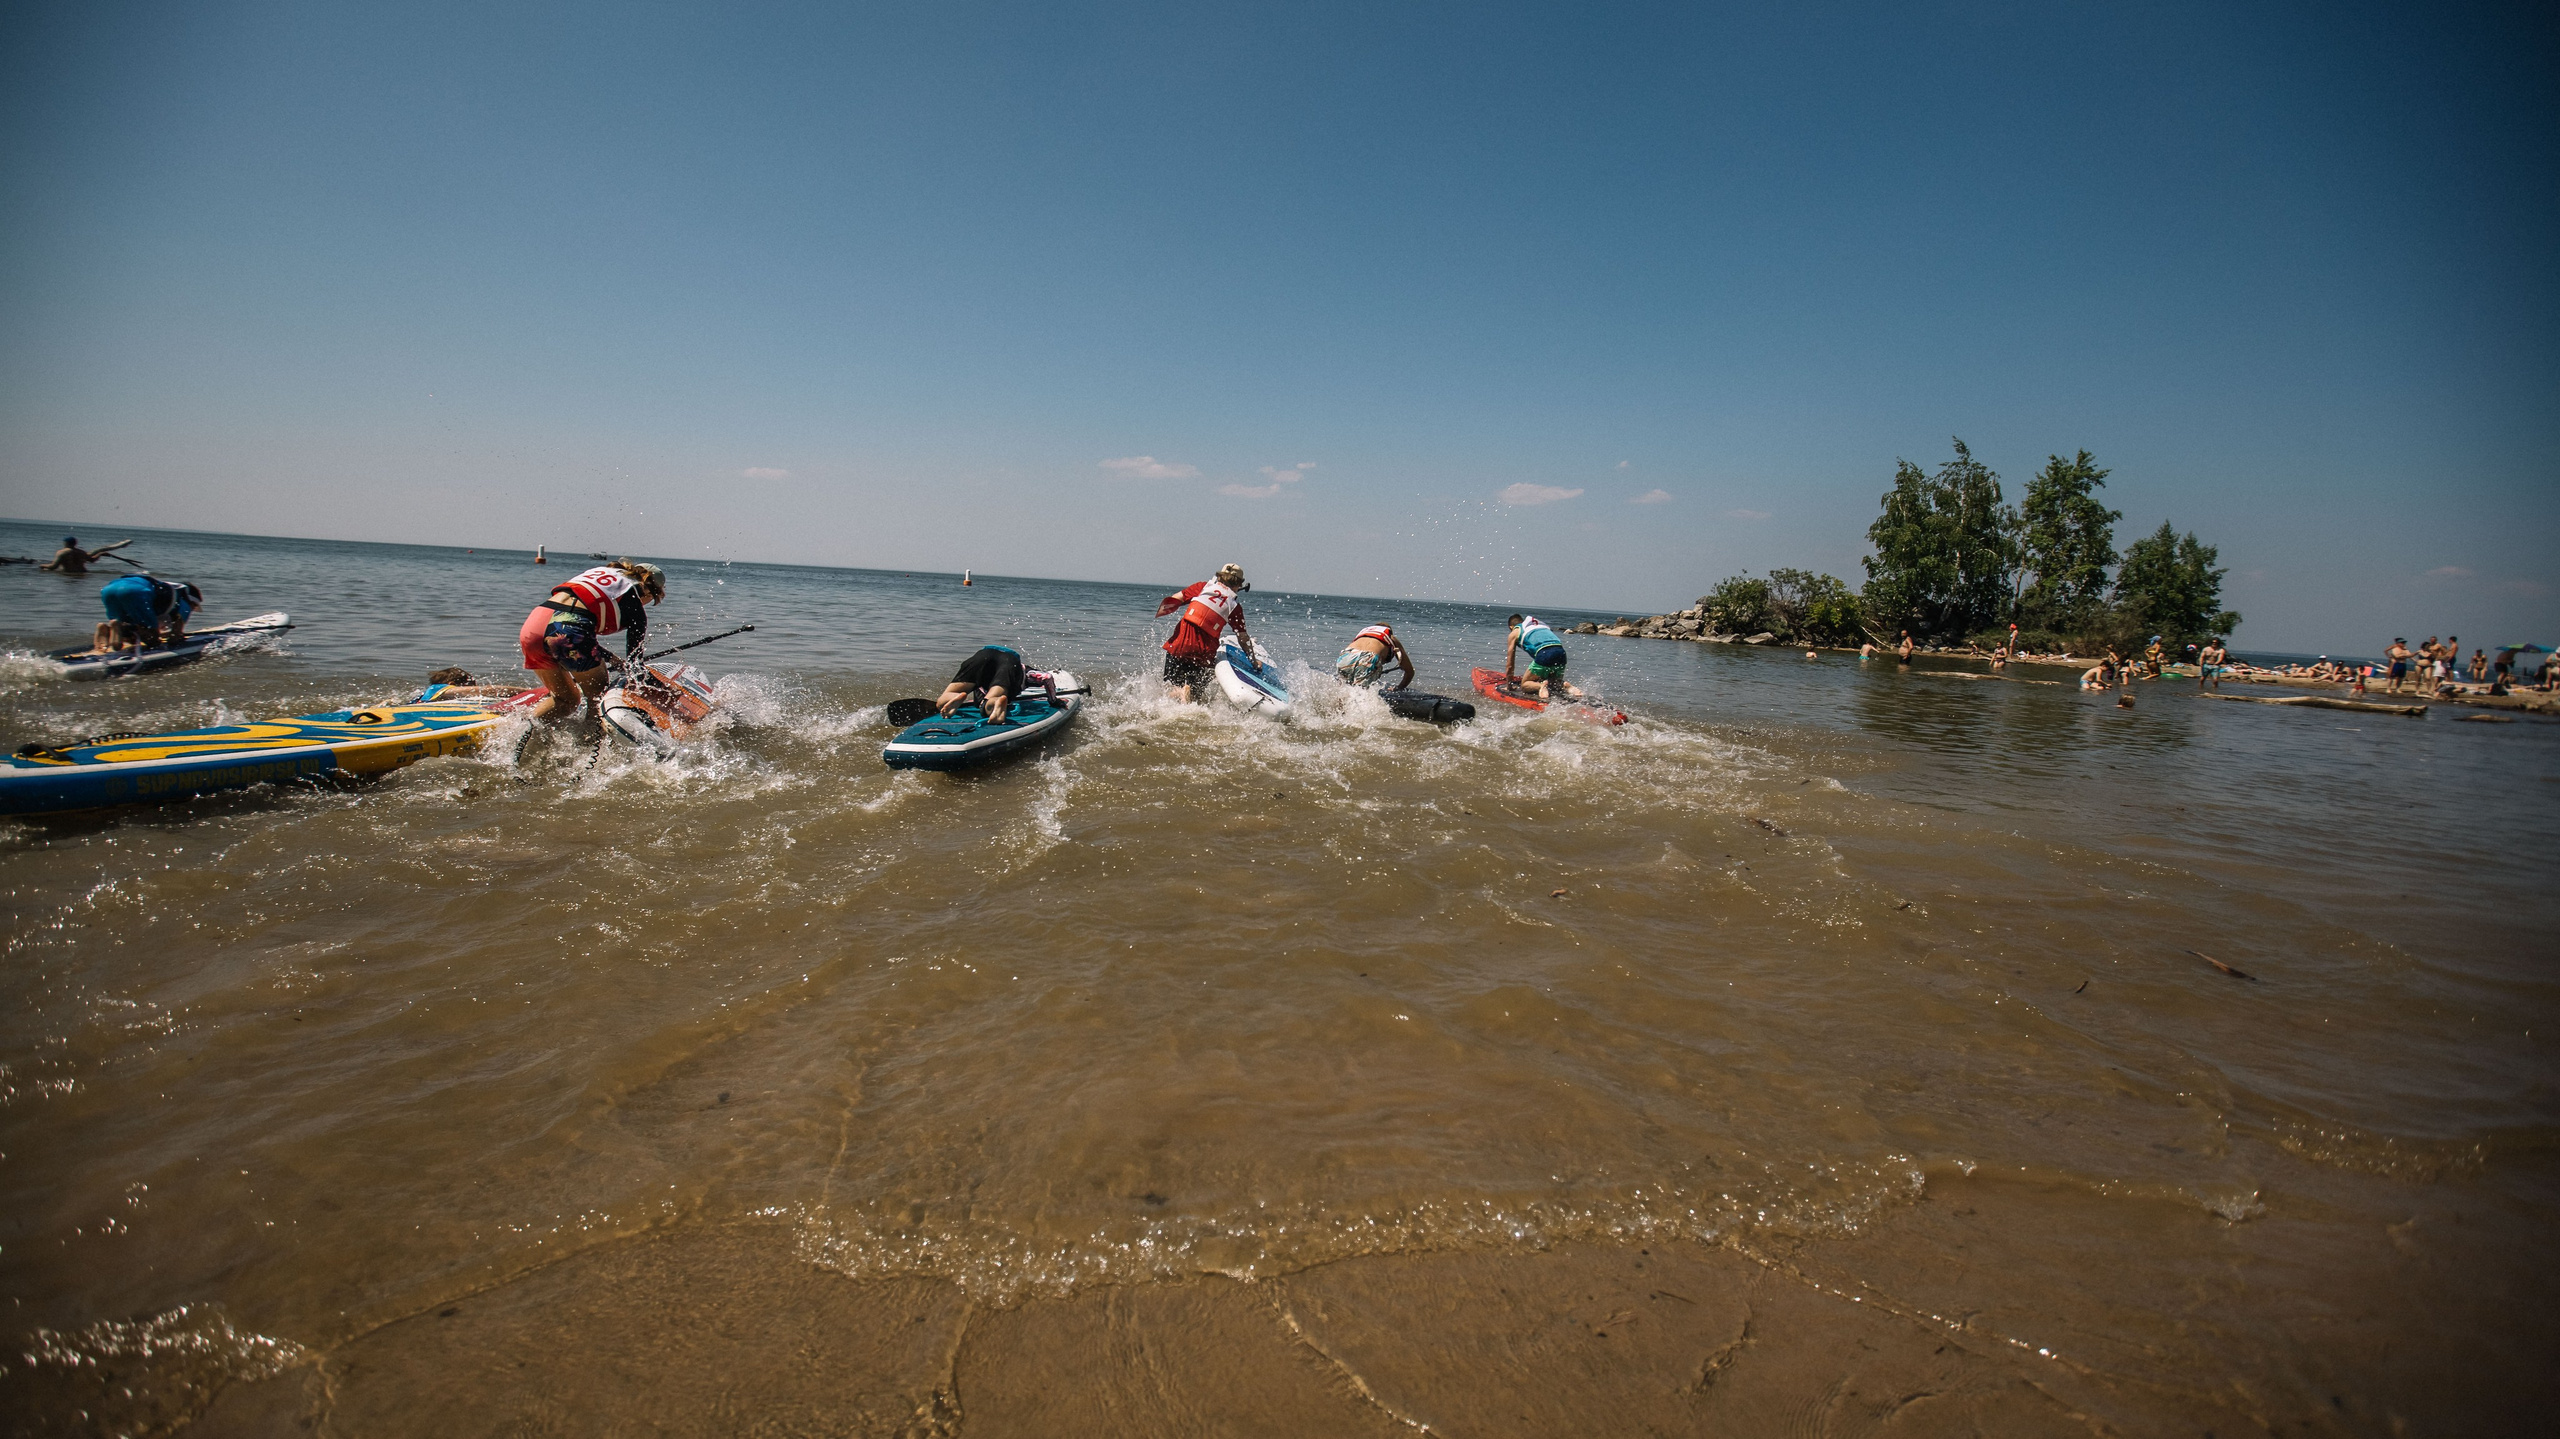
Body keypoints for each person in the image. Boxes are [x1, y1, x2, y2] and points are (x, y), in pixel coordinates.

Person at [518, 559, 666, 721]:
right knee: (599, 698)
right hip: (568, 632)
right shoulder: (633, 601)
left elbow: (563, 624)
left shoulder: (604, 574)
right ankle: (591, 737)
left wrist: (611, 658)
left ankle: (522, 728)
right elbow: (635, 667)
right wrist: (666, 691)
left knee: (565, 701)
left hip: (533, 627)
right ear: (650, 593)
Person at [1156, 564, 1253, 702]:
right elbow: (1243, 637)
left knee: (1168, 688)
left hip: (1180, 645)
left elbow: (1175, 599)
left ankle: (1178, 691)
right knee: (1196, 698)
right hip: (1203, 654)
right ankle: (1187, 691)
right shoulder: (1235, 607)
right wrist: (1253, 660)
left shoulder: (1202, 587)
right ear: (1238, 585)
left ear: (1220, 577)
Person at [935, 645, 1055, 725]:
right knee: (988, 703)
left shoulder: (980, 690)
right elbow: (1047, 677)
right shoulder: (1024, 670)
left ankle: (954, 697)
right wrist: (1053, 700)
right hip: (1009, 662)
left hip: (981, 656)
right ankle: (997, 701)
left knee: (949, 694)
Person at [89, 574, 200, 651]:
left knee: (129, 626)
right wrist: (177, 639)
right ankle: (118, 632)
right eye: (194, 607)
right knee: (153, 641)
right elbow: (174, 637)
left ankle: (108, 629)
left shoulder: (166, 588)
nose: (192, 609)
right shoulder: (184, 602)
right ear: (192, 601)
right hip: (136, 592)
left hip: (109, 589)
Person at [1504, 613, 1582, 700]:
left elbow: (1510, 664)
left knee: (1525, 685)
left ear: (1511, 627)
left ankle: (1541, 686)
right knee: (1554, 685)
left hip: (1544, 653)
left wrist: (1509, 686)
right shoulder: (1538, 625)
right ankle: (1565, 686)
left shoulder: (1514, 633)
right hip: (1561, 652)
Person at [1335, 623, 1416, 690]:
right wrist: (1399, 688)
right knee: (1362, 693)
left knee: (1342, 690)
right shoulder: (1391, 637)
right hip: (1368, 658)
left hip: (1346, 656)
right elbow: (1410, 671)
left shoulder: (1363, 635)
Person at [43, 536, 134, 575]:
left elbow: (53, 566)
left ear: (65, 543)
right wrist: (100, 554)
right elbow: (92, 560)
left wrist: (42, 565)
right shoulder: (82, 552)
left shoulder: (61, 552)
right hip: (82, 574)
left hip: (68, 574)